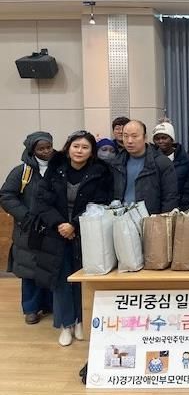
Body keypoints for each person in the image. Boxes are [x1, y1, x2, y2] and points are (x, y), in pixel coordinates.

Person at [34, 131, 112, 346]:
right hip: (56, 234)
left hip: (85, 232)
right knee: (61, 280)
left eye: (85, 147)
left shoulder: (101, 172)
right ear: (68, 148)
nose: (80, 151)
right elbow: (41, 202)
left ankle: (81, 320)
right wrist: (60, 224)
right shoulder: (55, 169)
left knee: (82, 278)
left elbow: (101, 202)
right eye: (76, 146)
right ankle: (65, 324)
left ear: (91, 152)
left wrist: (74, 224)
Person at [0, 131, 55, 325]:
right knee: (29, 270)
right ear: (32, 150)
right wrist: (25, 216)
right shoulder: (21, 171)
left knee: (50, 268)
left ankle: (50, 305)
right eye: (41, 149)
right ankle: (31, 308)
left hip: (52, 228)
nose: (46, 151)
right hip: (29, 229)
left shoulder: (58, 168)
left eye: (48, 147)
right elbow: (6, 195)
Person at [110, 120, 178, 214]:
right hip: (121, 217)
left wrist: (162, 220)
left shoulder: (161, 162)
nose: (129, 141)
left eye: (134, 136)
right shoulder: (117, 162)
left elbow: (170, 198)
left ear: (145, 138)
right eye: (125, 136)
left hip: (150, 218)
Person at [152, 121, 189, 195]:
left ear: (172, 139)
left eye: (164, 138)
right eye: (157, 139)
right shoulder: (150, 161)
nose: (160, 141)